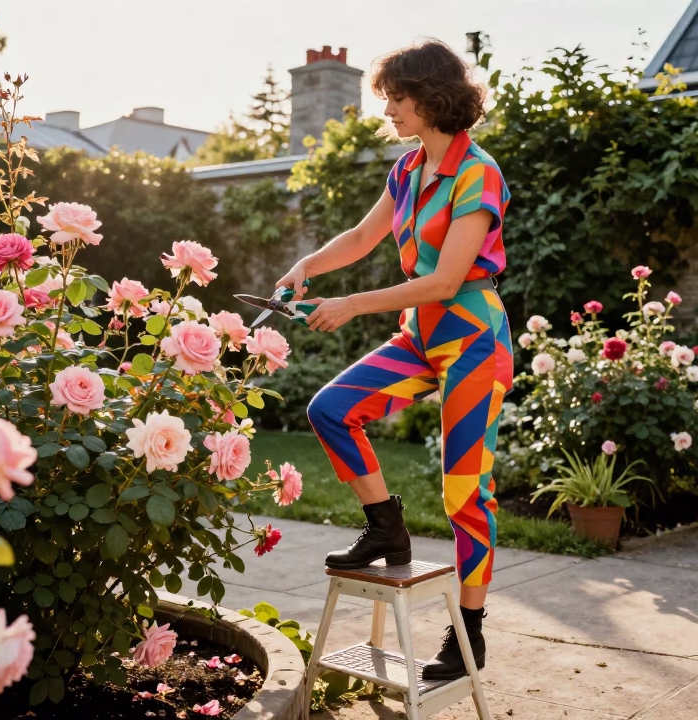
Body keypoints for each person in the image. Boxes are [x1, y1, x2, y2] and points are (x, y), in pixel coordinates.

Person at [274, 38, 512, 682]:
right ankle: (386, 528)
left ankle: (469, 637)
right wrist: (306, 267)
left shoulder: (476, 172)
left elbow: (446, 280)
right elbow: (361, 237)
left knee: (465, 491)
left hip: (472, 340)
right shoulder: (407, 171)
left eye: (396, 99)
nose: (389, 110)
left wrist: (350, 304)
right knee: (330, 409)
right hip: (420, 337)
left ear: (430, 97)